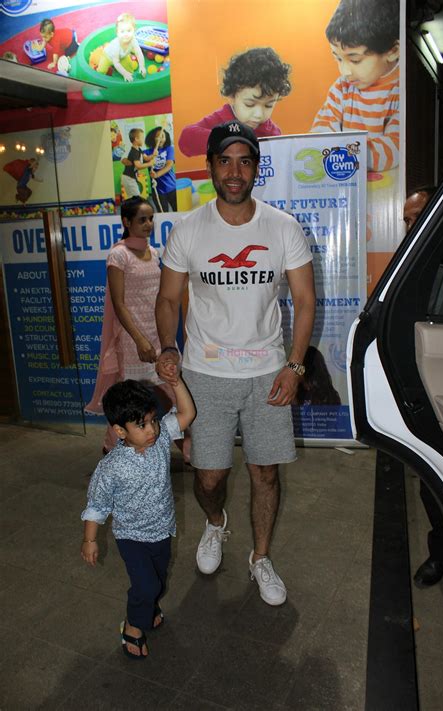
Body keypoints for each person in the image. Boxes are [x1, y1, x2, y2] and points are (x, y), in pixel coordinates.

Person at [155, 120, 315, 606]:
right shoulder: (189, 230)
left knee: (265, 472)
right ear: (210, 167)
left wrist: (295, 366)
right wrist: (168, 347)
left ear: (256, 169)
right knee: (208, 478)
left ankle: (260, 557)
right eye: (225, 160)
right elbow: (167, 299)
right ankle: (215, 523)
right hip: (205, 374)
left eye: (245, 161)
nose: (234, 170)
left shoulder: (282, 227)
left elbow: (305, 301)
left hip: (268, 372)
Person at [81, 378, 195, 659]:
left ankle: (149, 607)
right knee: (147, 585)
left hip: (162, 529)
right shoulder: (111, 467)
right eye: (141, 425)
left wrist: (176, 382)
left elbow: (187, 414)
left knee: (158, 579)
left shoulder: (160, 439)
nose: (152, 430)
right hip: (131, 537)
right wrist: (90, 539)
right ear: (120, 430)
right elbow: (97, 505)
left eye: (153, 421)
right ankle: (132, 626)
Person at [85, 196, 189, 459]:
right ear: (126, 222)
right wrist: (140, 341)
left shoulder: (154, 253)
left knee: (174, 393)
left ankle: (187, 449)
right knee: (132, 402)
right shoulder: (118, 255)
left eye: (151, 218)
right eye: (142, 219)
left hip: (159, 336)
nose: (149, 223)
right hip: (133, 342)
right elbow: (119, 305)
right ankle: (111, 450)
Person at [403, 185, 443, 587]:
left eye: (417, 217)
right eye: (406, 221)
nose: (410, 226)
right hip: (427, 391)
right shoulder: (410, 264)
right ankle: (441, 555)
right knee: (433, 479)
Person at [310, 0, 400, 172]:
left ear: (393, 51)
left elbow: (395, 147)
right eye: (338, 58)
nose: (344, 71)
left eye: (355, 59)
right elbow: (320, 133)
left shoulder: (401, 90)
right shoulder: (341, 89)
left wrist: (338, 152)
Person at [178, 47, 291, 158]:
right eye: (249, 104)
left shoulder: (271, 132)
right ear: (232, 96)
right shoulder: (220, 119)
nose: (258, 114)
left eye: (268, 105)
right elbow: (186, 140)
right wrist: (227, 138)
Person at [96, 12, 146, 82]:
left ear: (134, 30)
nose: (126, 34)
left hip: (122, 57)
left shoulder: (133, 40)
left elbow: (139, 53)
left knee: (130, 71)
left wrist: (142, 66)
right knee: (101, 72)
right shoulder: (116, 45)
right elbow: (116, 62)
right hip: (107, 57)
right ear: (117, 33)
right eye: (122, 31)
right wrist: (125, 74)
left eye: (129, 30)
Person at [144, 126, 177, 213]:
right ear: (153, 138)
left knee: (178, 212)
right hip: (158, 191)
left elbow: (169, 165)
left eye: (162, 136)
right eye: (157, 136)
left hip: (172, 188)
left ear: (166, 138)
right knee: (163, 214)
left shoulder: (170, 149)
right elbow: (134, 159)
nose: (160, 139)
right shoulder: (147, 153)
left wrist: (157, 174)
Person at [121, 128, 157, 199]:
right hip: (128, 178)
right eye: (142, 137)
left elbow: (146, 158)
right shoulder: (134, 152)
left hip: (131, 178)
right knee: (136, 197)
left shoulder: (139, 149)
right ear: (136, 139)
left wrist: (153, 155)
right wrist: (150, 164)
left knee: (133, 197)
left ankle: (133, 207)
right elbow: (138, 166)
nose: (143, 139)